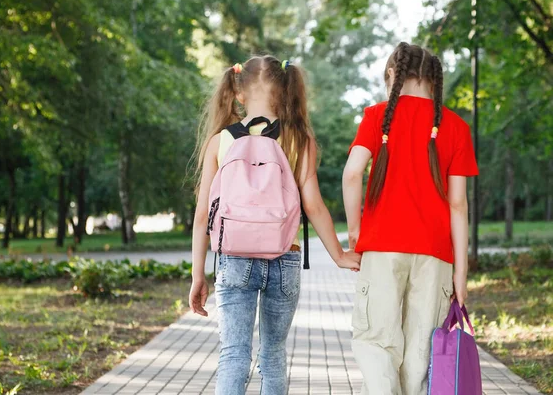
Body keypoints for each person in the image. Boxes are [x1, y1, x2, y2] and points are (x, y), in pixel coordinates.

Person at [189, 55, 360, 395]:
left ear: (238, 94)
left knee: (234, 354)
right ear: (285, 93)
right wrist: (339, 255)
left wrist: (198, 275)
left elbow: (202, 216)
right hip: (285, 258)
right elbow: (313, 205)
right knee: (273, 355)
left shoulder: (220, 141)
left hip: (234, 260)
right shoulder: (299, 139)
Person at [342, 42, 479, 395]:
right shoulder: (456, 127)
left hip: (382, 249)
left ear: (392, 75)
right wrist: (460, 275)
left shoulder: (376, 116)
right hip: (436, 256)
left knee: (377, 342)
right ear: (435, 81)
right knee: (421, 352)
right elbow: (458, 204)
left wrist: (356, 233)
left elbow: (352, 174)